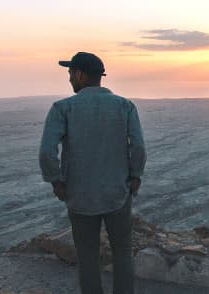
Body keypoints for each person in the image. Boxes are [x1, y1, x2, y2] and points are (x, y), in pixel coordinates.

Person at [39, 51, 146, 294]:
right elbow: (137, 146)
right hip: (118, 193)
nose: (69, 79)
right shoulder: (125, 106)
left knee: (87, 257)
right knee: (122, 253)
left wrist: (56, 181)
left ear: (80, 74)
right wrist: (135, 177)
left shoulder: (62, 108)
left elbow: (47, 151)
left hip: (80, 196)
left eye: (70, 73)